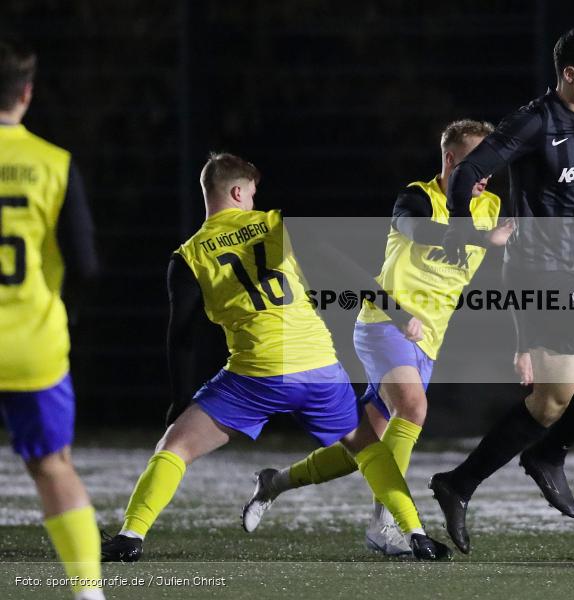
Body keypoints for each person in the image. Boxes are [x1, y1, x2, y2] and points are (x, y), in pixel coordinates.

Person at [100, 152, 451, 562]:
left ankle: (131, 535)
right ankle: (415, 532)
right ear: (237, 191)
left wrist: (180, 401)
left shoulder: (188, 257)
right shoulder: (274, 224)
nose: (253, 200)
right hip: (318, 368)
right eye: (250, 193)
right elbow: (341, 267)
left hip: (254, 377)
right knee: (369, 449)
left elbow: (181, 337)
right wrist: (396, 311)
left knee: (174, 447)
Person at [240, 120, 512, 556]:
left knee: (363, 448)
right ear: (449, 160)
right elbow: (413, 230)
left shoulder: (493, 205)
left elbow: (511, 266)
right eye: (477, 162)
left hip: (429, 340)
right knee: (414, 405)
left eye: (492, 163)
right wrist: (482, 238)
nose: (486, 172)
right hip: (385, 322)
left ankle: (274, 482)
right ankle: (386, 526)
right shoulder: (417, 197)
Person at [429, 26, 574, 554]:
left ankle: (458, 483)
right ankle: (549, 455)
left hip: (564, 273)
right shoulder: (535, 120)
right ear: (570, 74)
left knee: (551, 401)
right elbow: (470, 170)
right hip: (541, 275)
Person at [0, 39, 104, 600]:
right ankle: (87, 594)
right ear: (27, 92)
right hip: (32, 343)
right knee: (52, 466)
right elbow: (85, 264)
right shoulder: (54, 163)